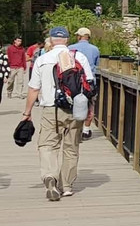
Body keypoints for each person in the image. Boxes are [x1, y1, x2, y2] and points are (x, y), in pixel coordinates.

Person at [22, 27, 95, 201]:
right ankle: (66, 186)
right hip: (76, 109)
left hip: (51, 109)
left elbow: (33, 89)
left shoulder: (43, 59)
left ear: (51, 40)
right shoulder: (79, 57)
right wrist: (90, 108)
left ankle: (50, 176)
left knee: (47, 145)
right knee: (71, 148)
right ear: (67, 40)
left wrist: (27, 112)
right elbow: (90, 84)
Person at [69, 27, 100, 140]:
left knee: (73, 105)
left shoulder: (70, 48)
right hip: (89, 82)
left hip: (74, 82)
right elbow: (96, 64)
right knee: (90, 106)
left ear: (79, 36)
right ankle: (86, 130)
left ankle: (75, 130)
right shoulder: (95, 49)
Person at [5, 34, 26, 99]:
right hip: (12, 67)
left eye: (20, 41)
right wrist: (7, 67)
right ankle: (9, 92)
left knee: (20, 81)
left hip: (20, 67)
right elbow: (8, 57)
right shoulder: (10, 48)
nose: (19, 42)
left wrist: (24, 67)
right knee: (10, 81)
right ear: (15, 41)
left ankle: (19, 93)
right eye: (18, 41)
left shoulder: (22, 49)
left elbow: (24, 58)